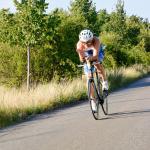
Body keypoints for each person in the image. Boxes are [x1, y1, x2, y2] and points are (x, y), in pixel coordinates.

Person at [76, 29, 108, 112]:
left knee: (97, 64)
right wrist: (85, 60)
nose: (87, 44)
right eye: (85, 42)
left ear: (92, 38)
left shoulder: (96, 40)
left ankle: (104, 82)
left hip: (97, 52)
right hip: (87, 55)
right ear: (81, 41)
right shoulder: (79, 45)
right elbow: (81, 59)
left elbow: (96, 55)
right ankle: (93, 101)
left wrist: (92, 59)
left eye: (89, 41)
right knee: (89, 76)